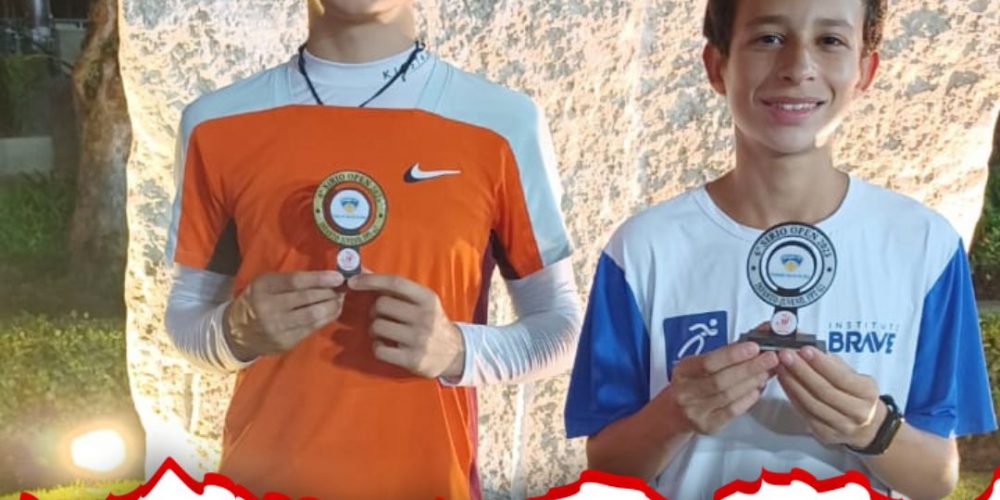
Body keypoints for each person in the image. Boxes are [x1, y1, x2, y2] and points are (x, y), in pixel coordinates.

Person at [564, 0, 997, 498]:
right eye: (768, 38)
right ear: (716, 65)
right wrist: (674, 414)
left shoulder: (924, 245)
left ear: (865, 71)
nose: (797, 68)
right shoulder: (643, 249)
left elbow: (938, 478)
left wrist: (872, 428)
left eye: (830, 41)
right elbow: (606, 469)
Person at [163, 1, 582, 498]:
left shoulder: (501, 122)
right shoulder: (216, 124)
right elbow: (185, 315)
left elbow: (561, 326)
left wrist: (459, 351)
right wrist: (235, 332)